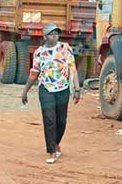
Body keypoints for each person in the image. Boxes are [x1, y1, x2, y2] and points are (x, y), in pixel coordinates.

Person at [20, 23, 80, 164]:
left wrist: (77, 89)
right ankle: (51, 151)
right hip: (46, 89)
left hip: (63, 89)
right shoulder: (39, 52)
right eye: (51, 34)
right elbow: (34, 73)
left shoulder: (65, 48)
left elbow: (72, 69)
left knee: (61, 121)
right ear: (45, 36)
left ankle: (57, 142)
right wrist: (25, 91)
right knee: (49, 120)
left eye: (56, 33)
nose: (55, 36)